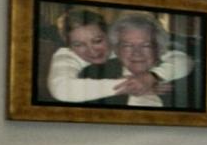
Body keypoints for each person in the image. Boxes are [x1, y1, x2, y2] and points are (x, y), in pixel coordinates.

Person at [50, 11, 193, 109]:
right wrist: (134, 85)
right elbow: (63, 89)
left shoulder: (125, 44)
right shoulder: (68, 58)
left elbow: (183, 60)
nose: (92, 51)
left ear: (108, 36)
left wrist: (152, 77)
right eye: (78, 44)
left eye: (97, 40)